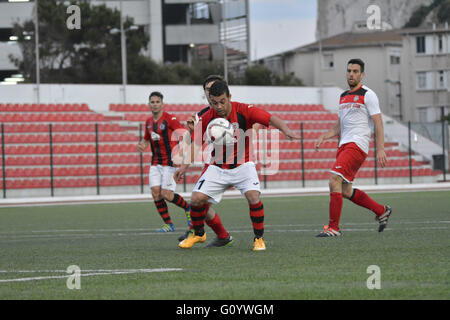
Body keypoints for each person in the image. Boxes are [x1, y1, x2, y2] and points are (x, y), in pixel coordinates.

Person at [174, 80, 300, 251]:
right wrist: (183, 167)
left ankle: (258, 239)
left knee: (253, 197)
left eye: (222, 101)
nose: (218, 106)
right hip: (217, 167)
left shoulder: (244, 110)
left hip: (243, 166)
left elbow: (270, 118)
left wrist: (286, 129)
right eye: (214, 102)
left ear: (229, 97)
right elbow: (196, 144)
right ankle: (198, 234)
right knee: (196, 199)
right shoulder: (207, 117)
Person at [315, 58, 392, 237]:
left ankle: (333, 228)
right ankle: (381, 211)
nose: (351, 74)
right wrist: (324, 136)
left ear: (362, 74)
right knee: (345, 190)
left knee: (334, 180)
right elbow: (339, 125)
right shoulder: (343, 96)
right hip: (344, 145)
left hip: (357, 144)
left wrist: (380, 149)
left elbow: (378, 123)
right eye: (349, 71)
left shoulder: (368, 94)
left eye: (355, 71)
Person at [177, 75, 233, 248]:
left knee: (199, 200)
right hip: (213, 163)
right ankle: (220, 235)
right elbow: (195, 139)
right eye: (207, 90)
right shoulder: (201, 115)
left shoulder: (233, 110)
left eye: (213, 89)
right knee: (202, 202)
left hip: (232, 164)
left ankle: (196, 230)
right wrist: (192, 132)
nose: (210, 93)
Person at [137, 91, 191, 232]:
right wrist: (142, 144)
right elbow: (146, 138)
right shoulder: (148, 122)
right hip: (155, 162)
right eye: (152, 102)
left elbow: (184, 135)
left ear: (162, 104)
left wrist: (180, 155)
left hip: (170, 162)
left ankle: (188, 208)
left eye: (157, 102)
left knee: (166, 195)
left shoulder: (169, 119)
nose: (155, 104)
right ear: (149, 104)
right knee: (156, 193)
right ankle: (169, 224)